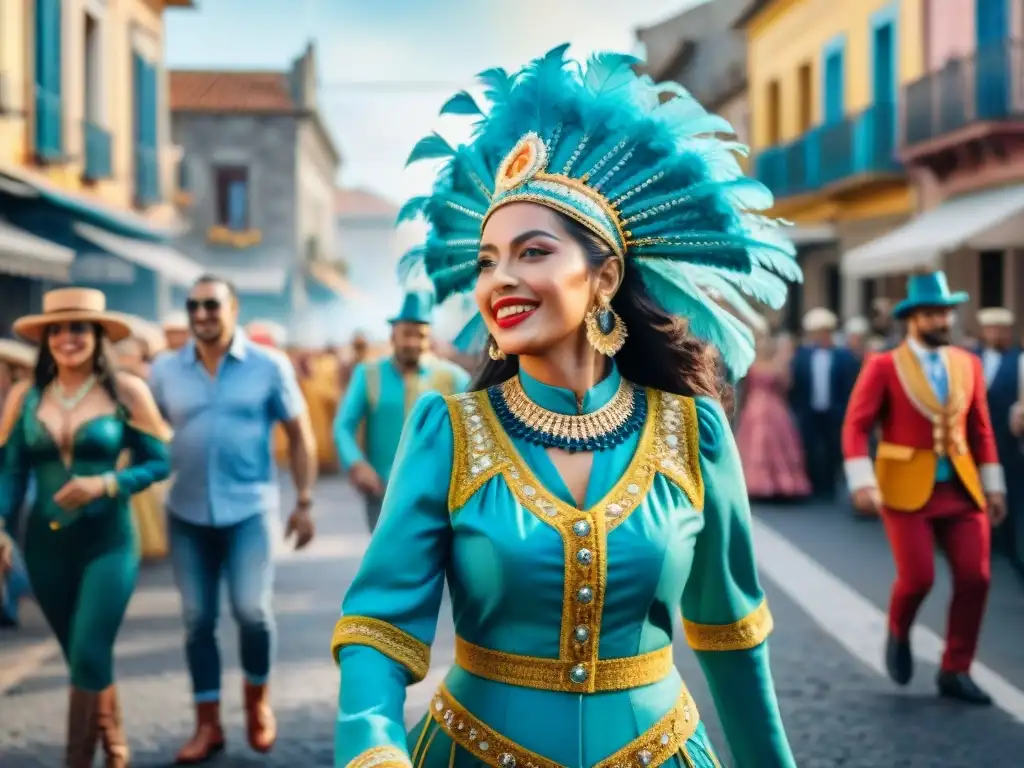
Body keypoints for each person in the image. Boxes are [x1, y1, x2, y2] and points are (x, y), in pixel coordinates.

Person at [331, 46, 799, 767]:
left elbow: (732, 638)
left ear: (604, 276)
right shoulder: (448, 432)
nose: (500, 280)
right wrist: (371, 746)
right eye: (487, 261)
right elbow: (377, 627)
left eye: (532, 252)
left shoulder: (692, 433)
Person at [0, 288, 171, 767]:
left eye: (78, 328)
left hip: (109, 544)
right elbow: (10, 472)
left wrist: (107, 483)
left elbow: (159, 462)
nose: (66, 338)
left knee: (90, 649)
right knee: (83, 656)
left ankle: (77, 760)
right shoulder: (25, 397)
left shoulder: (127, 392)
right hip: (45, 549)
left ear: (98, 336)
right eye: (55, 330)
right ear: (45, 339)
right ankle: (115, 745)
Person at [149, 276, 317, 764]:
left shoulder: (269, 365)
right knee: (197, 619)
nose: (201, 314)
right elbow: (144, 428)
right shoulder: (165, 369)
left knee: (252, 611)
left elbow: (300, 434)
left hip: (250, 510)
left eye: (211, 305)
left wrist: (304, 502)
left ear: (233, 308)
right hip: (186, 511)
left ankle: (257, 701)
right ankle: (207, 726)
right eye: (193, 306)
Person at [842, 270, 1006, 705]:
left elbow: (981, 429)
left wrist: (994, 486)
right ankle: (899, 629)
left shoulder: (968, 364)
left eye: (945, 313)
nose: (941, 321)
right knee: (918, 579)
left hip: (962, 488)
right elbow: (856, 426)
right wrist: (862, 481)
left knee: (976, 577)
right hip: (904, 487)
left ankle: (956, 669)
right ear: (911, 319)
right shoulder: (884, 365)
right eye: (932, 314)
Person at [333, 290, 471, 532]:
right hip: (382, 490)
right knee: (386, 554)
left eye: (420, 335)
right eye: (406, 334)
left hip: (437, 494)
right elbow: (344, 425)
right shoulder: (368, 374)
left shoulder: (454, 378)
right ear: (393, 336)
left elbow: (474, 430)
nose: (413, 343)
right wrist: (356, 463)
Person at [789, 308, 860, 500]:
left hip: (834, 410)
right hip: (809, 410)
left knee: (833, 447)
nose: (818, 336)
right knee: (810, 446)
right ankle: (814, 483)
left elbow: (850, 385)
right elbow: (796, 383)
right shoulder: (802, 356)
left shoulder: (844, 356)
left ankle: (830, 485)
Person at [735, 335, 811, 501]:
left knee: (768, 444)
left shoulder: (766, 365)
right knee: (760, 444)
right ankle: (765, 484)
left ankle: (776, 484)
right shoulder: (762, 365)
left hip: (763, 406)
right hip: (764, 407)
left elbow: (785, 386)